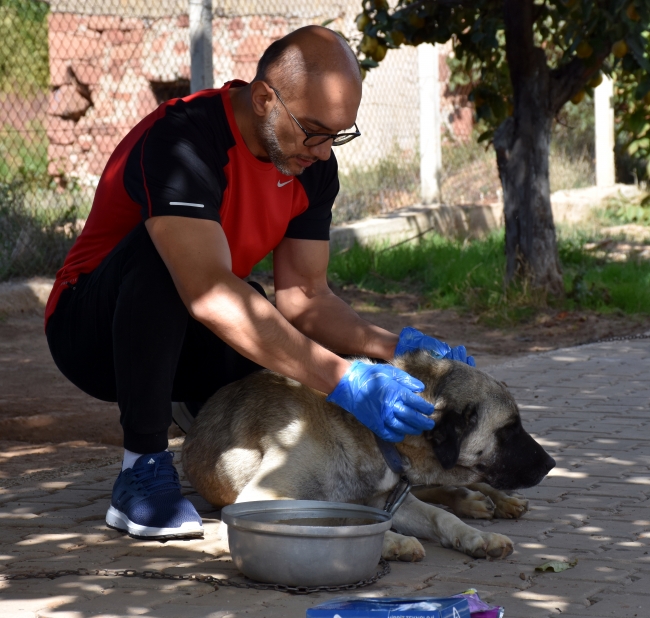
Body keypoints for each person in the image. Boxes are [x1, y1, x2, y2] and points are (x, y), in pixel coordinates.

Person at [45, 26, 474, 541]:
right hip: (91, 332)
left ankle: (207, 418)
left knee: (261, 313)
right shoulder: (183, 139)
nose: (322, 152)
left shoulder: (312, 168)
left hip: (191, 324)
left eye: (337, 135)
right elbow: (205, 288)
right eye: (313, 131)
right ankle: (142, 467)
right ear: (266, 98)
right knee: (175, 264)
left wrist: (399, 349)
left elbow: (305, 298)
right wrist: (344, 379)